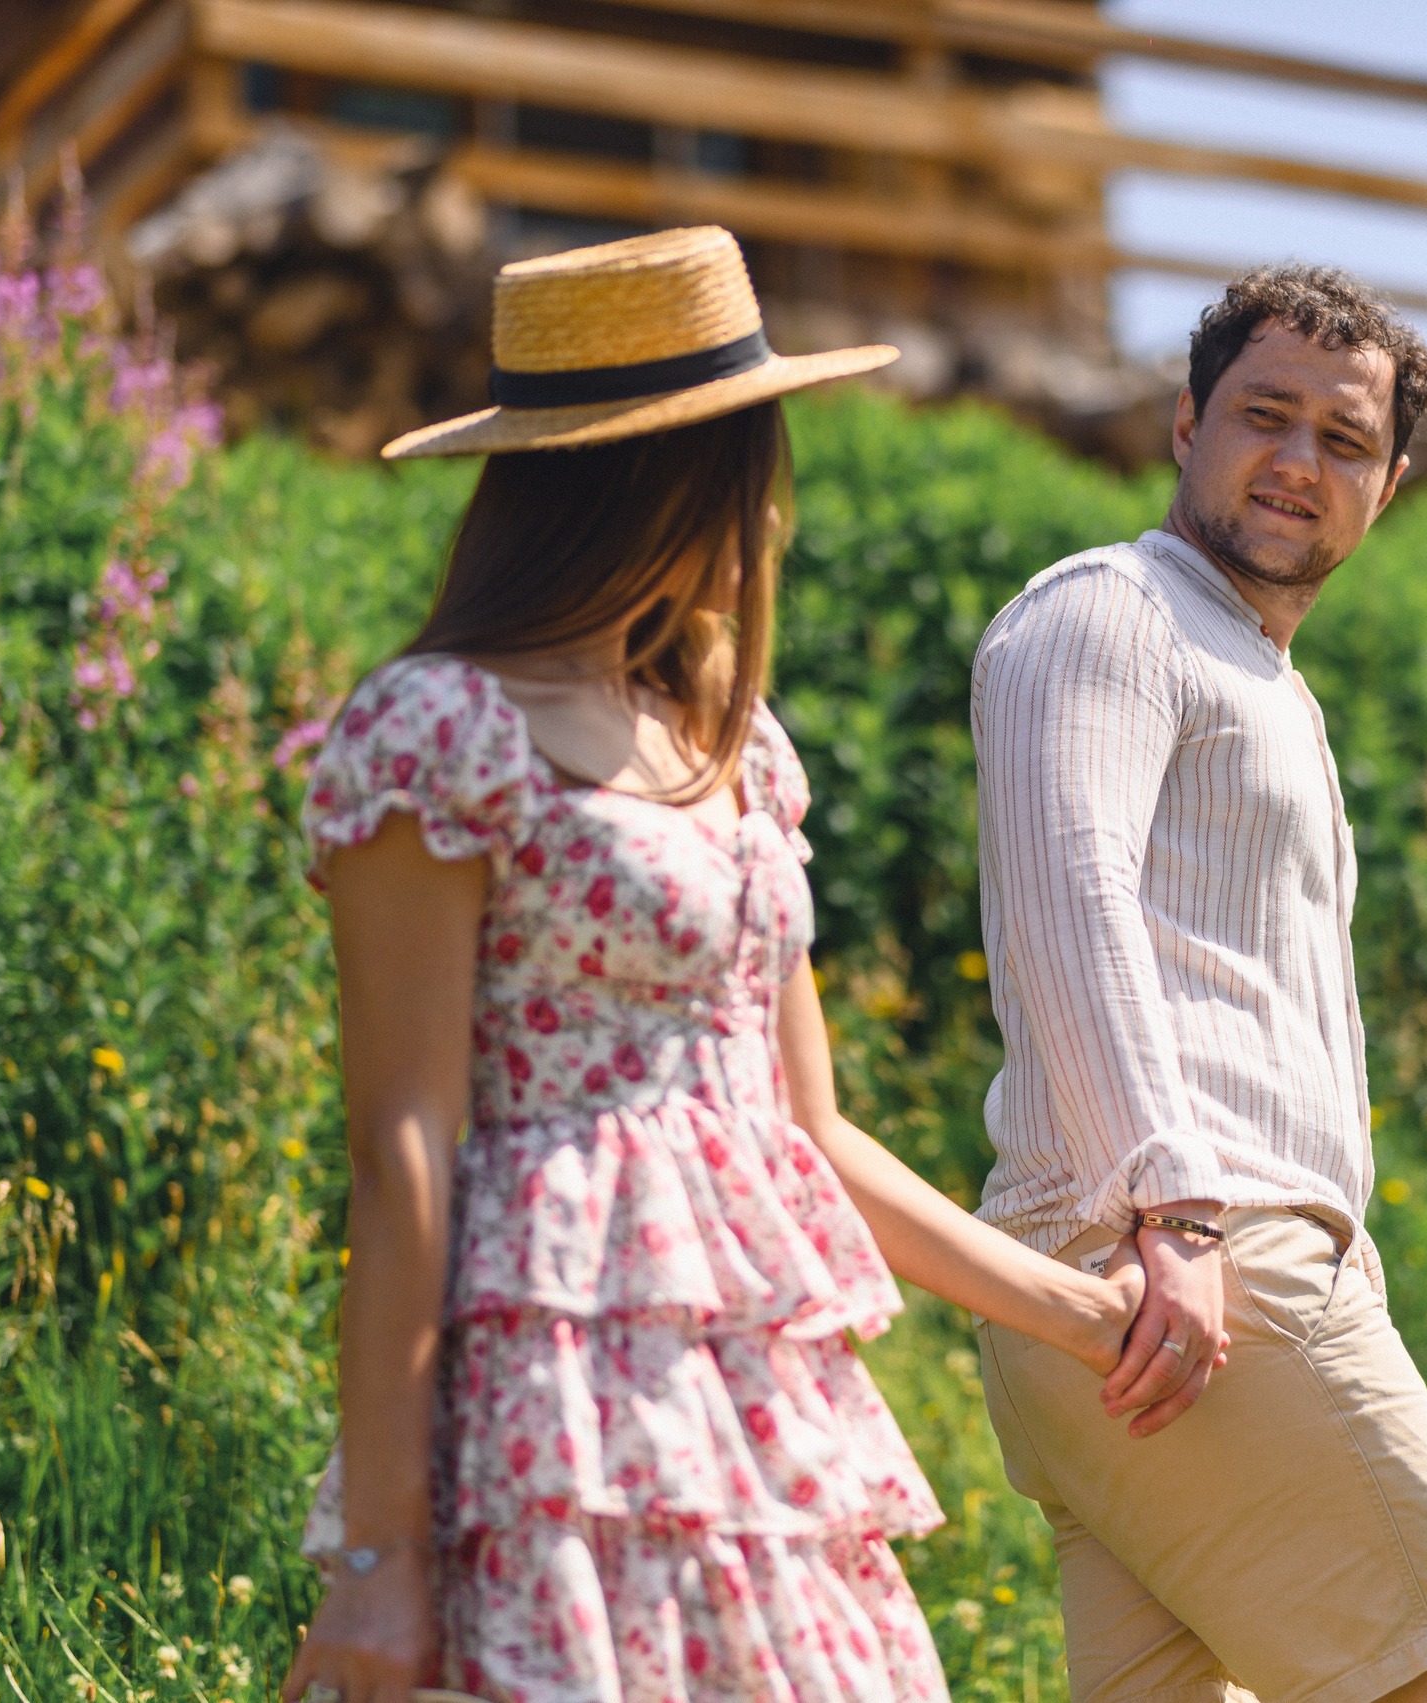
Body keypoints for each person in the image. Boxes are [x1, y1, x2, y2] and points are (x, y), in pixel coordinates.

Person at [277, 227, 1147, 1703]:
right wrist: (383, 1559)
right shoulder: (439, 729)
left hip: (747, 1412)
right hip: (547, 1396)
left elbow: (802, 1137)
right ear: (669, 472)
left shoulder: (737, 746)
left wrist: (1082, 1313)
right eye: (757, 457)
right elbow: (403, 1150)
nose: (774, 504)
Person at [968, 265, 1427, 1703]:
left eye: (1343, 442)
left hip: (1149, 1287)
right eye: (1264, 417)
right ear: (1186, 423)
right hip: (1179, 1268)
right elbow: (1075, 903)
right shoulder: (1113, 612)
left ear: (1391, 485)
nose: (1298, 463)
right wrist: (1178, 1209)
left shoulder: (1263, 679)